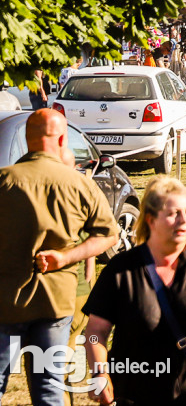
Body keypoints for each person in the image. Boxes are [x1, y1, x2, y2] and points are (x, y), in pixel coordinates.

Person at [84, 178, 186, 406]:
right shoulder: (121, 270)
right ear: (150, 220)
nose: (183, 221)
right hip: (137, 394)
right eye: (174, 213)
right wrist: (100, 373)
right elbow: (94, 332)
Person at [0, 110, 119, 406]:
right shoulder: (79, 184)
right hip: (55, 303)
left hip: (5, 302)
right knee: (49, 387)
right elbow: (108, 235)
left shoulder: (4, 181)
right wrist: (66, 257)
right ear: (63, 138)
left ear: (27, 140)